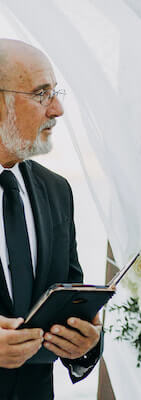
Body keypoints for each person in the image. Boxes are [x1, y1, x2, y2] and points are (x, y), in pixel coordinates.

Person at [0, 39, 102, 399]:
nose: (57, 109)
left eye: (55, 93)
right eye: (41, 94)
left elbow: (68, 295)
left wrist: (84, 343)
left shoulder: (57, 191)